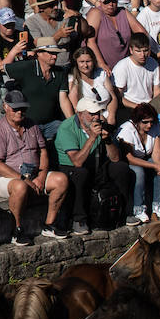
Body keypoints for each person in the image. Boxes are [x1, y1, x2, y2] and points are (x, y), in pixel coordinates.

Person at [0, 91, 70, 244]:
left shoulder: (32, 125)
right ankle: (16, 230)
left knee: (61, 179)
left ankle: (49, 224)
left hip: (32, 175)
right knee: (20, 187)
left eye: (23, 109)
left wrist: (41, 176)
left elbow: (43, 151)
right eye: (15, 109)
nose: (20, 112)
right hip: (2, 178)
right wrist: (23, 179)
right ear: (5, 107)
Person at [55, 98, 135, 232]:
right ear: (80, 114)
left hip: (97, 165)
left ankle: (123, 213)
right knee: (81, 173)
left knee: (121, 168)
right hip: (72, 168)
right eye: (91, 114)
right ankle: (79, 219)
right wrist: (92, 137)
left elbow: (115, 158)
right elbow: (77, 161)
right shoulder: (67, 128)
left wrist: (107, 140)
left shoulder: (101, 125)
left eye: (98, 113)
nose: (96, 117)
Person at [117, 102, 160, 221]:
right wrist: (153, 165)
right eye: (145, 122)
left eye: (151, 121)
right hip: (130, 161)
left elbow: (157, 150)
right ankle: (139, 208)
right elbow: (130, 158)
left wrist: (158, 166)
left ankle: (159, 205)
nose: (149, 125)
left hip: (146, 157)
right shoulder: (127, 130)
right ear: (137, 121)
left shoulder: (155, 127)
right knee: (139, 173)